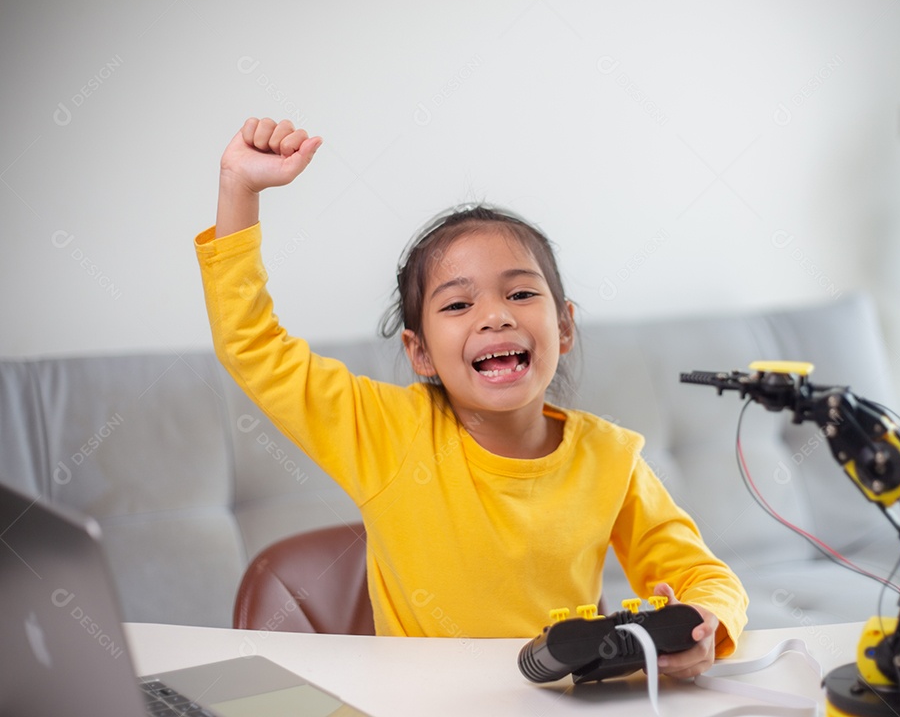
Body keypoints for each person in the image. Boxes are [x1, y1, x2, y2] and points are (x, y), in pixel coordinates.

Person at [196, 117, 748, 678]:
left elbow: (705, 577)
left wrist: (707, 622)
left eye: (521, 293)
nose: (495, 316)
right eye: (458, 305)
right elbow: (252, 346)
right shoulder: (385, 430)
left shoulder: (611, 457)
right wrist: (238, 188)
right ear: (421, 352)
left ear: (563, 326)